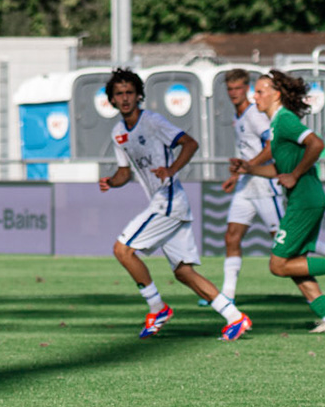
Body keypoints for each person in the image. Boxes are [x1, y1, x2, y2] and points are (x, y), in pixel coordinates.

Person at [97, 68, 251, 341]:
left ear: (139, 95)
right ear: (111, 99)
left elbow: (190, 144)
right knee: (183, 272)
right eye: (119, 94)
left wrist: (170, 170)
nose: (125, 98)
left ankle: (157, 308)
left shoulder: (153, 121)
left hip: (167, 201)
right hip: (169, 205)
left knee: (122, 250)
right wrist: (111, 181)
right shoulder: (118, 132)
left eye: (129, 93)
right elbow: (125, 173)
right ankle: (234, 317)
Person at [231, 70, 325, 332]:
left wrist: (295, 174)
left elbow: (317, 143)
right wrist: (249, 168)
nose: (254, 96)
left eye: (260, 92)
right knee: (295, 264)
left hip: (305, 199)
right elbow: (278, 170)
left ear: (276, 94)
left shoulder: (285, 121)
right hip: (305, 199)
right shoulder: (277, 124)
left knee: (278, 265)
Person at [215, 68, 279, 303]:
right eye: (230, 89)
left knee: (283, 239)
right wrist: (237, 176)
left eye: (238, 88)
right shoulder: (238, 116)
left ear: (247, 89)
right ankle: (227, 294)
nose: (234, 93)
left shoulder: (254, 114)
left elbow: (272, 145)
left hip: (264, 183)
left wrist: (250, 166)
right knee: (232, 236)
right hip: (246, 184)